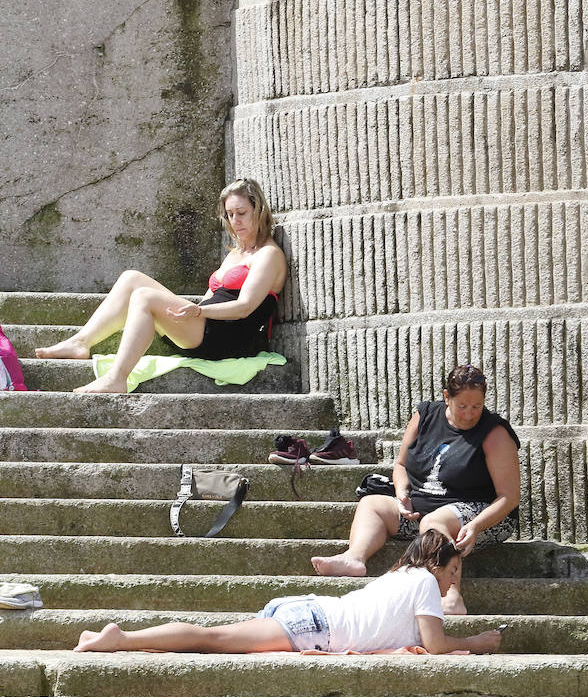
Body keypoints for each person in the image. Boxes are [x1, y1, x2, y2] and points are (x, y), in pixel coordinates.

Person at [35, 178, 286, 393]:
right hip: (206, 325)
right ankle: (81, 342)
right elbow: (212, 297)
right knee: (132, 278)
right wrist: (192, 311)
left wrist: (199, 312)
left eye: (241, 213)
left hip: (231, 338)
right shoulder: (237, 253)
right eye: (229, 214)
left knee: (145, 296)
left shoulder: (268, 255)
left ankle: (117, 379)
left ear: (259, 210)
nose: (235, 221)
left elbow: (244, 307)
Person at [74, 531, 502, 655]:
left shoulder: (399, 575)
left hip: (310, 612)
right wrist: (477, 642)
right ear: (437, 565)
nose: (452, 581)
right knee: (213, 638)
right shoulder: (425, 581)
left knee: (214, 639)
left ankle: (125, 641)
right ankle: (122, 639)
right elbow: (435, 644)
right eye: (454, 570)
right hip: (316, 626)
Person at [312, 365, 521, 616]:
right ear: (447, 397)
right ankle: (354, 557)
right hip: (422, 504)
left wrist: (476, 526)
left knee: (433, 522)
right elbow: (400, 465)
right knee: (372, 504)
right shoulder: (425, 416)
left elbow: (510, 497)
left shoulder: (494, 432)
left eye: (476, 406)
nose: (469, 414)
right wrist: (402, 494)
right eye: (462, 406)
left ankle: (452, 595)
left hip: (481, 512)